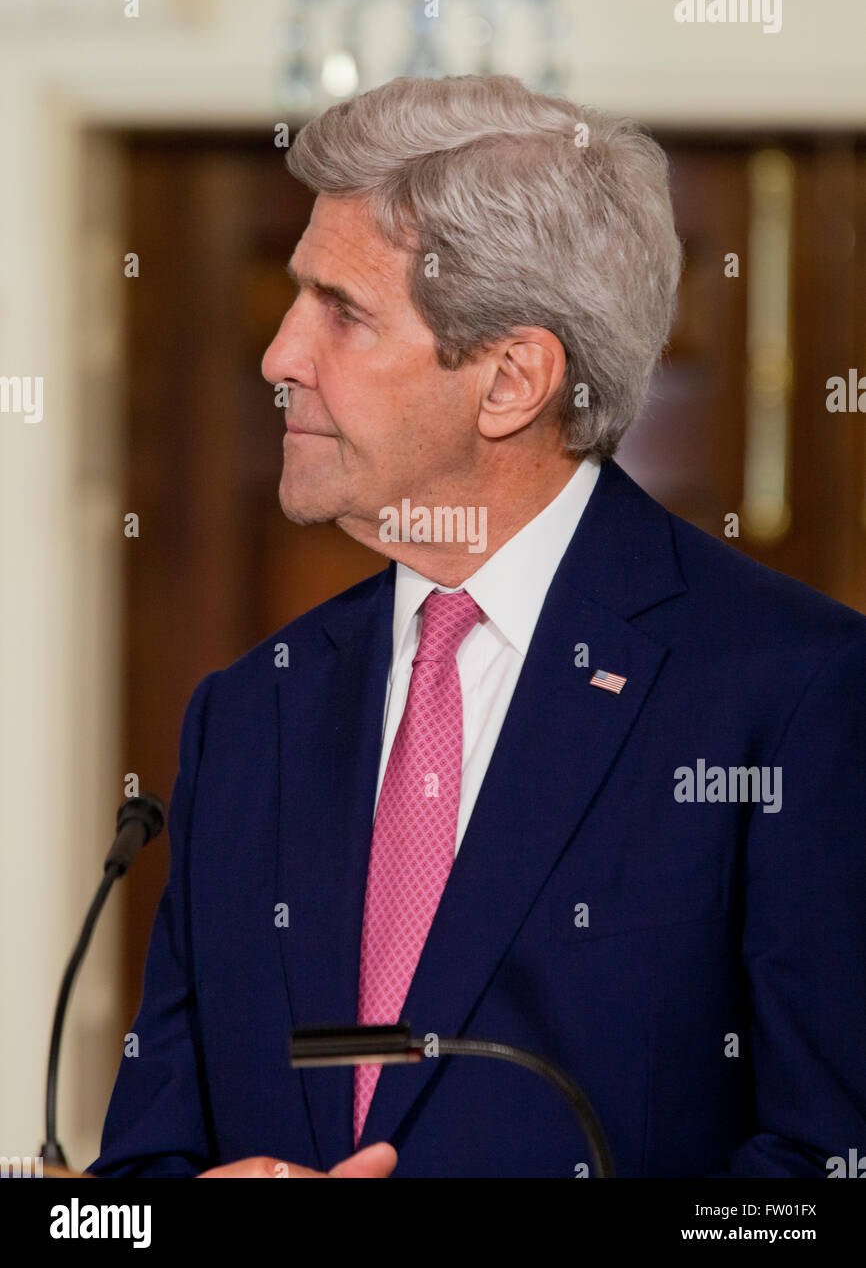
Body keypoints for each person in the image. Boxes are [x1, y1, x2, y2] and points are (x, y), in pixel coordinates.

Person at [90, 74, 866, 1178]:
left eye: (339, 311)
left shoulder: (791, 693)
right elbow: (135, 1175)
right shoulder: (251, 707)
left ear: (510, 380)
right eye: (292, 298)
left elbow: (825, 1166)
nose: (278, 358)